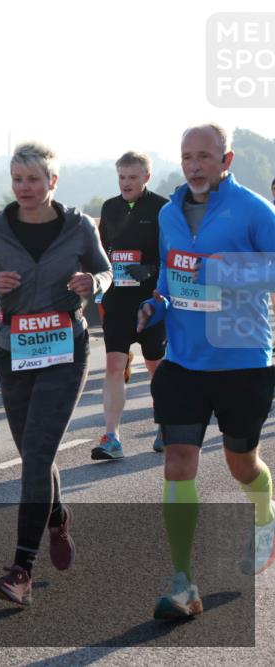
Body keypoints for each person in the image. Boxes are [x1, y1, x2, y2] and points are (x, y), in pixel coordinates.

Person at [0, 141, 112, 606]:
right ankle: (58, 514)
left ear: (53, 182)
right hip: (15, 354)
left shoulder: (79, 226)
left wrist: (93, 284)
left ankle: (21, 570)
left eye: (34, 179)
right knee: (34, 457)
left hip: (67, 351)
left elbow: (106, 273)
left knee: (40, 450)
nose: (25, 188)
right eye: (18, 179)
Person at [137, 124, 275, 619]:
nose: (194, 165)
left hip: (242, 361)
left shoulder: (255, 210)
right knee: (177, 459)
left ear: (226, 160)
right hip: (184, 361)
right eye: (187, 156)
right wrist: (156, 304)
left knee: (242, 463)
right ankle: (181, 582)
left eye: (204, 156)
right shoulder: (170, 213)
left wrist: (231, 270)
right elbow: (171, 273)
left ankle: (266, 514)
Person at [90, 151, 168, 460]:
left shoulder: (162, 208)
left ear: (146, 177)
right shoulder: (109, 207)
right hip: (118, 299)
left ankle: (165, 424)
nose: (126, 183)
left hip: (151, 300)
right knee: (114, 364)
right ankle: (112, 436)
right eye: (122, 177)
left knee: (155, 366)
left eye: (133, 177)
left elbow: (174, 255)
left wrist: (151, 269)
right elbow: (100, 254)